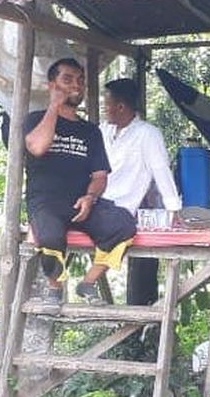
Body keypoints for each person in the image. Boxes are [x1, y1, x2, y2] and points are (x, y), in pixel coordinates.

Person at [25, 58, 136, 305]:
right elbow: (38, 147)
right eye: (67, 79)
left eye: (80, 80)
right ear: (51, 84)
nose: (76, 85)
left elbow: (100, 176)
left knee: (123, 224)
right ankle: (55, 287)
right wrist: (54, 105)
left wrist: (90, 197)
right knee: (51, 236)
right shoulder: (35, 120)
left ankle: (87, 283)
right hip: (46, 204)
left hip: (82, 203)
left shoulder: (90, 131)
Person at [101, 77, 182, 305]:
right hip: (96, 203)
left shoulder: (147, 134)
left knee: (117, 230)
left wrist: (173, 209)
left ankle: (89, 281)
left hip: (122, 209)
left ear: (121, 107)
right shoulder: (103, 131)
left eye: (106, 103)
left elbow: (161, 172)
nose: (103, 108)